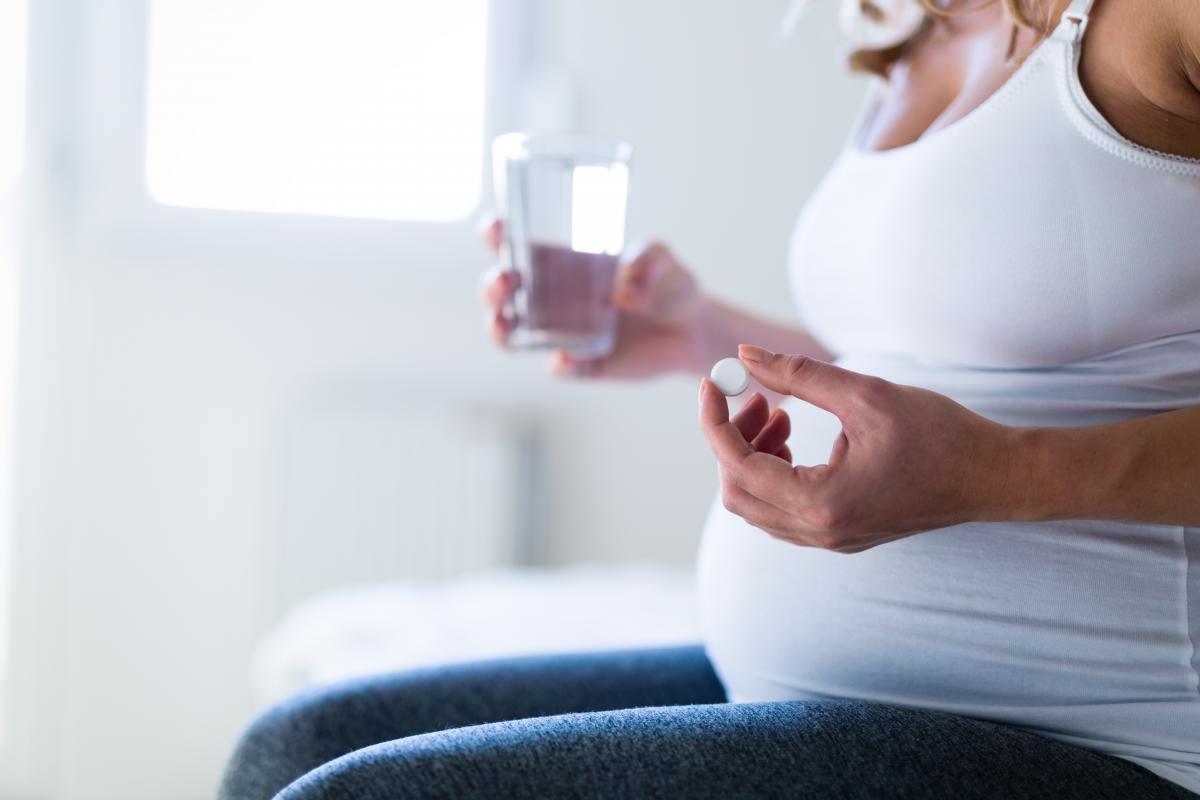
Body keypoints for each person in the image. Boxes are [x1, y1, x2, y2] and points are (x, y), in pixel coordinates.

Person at [218, 0, 1200, 797]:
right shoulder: (919, 21)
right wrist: (702, 333)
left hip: (1102, 736)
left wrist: (1000, 474)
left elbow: (1001, 418)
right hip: (844, 692)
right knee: (299, 740)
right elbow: (963, 357)